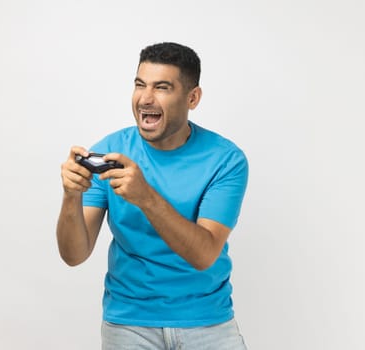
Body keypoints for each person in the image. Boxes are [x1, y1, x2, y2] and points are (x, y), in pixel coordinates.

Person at [57, 42, 249, 349]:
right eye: (139, 85)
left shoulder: (225, 160)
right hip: (129, 323)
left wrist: (145, 196)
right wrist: (71, 196)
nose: (145, 99)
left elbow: (204, 254)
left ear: (192, 98)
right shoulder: (112, 151)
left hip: (208, 321)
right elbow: (74, 255)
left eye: (161, 87)